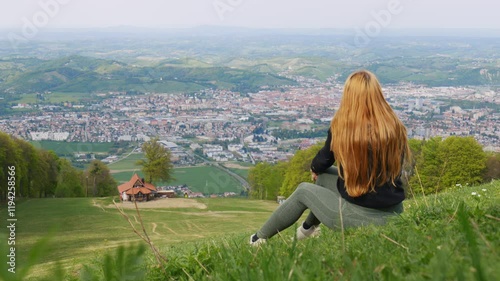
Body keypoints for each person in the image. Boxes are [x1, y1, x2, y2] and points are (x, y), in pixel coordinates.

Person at [250, 70, 410, 245]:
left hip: (363, 218)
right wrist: (319, 171)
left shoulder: (344, 128)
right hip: (394, 213)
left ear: (349, 96)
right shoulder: (393, 125)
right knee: (325, 175)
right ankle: (308, 228)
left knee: (304, 190)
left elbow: (323, 160)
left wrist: (314, 169)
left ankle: (258, 239)